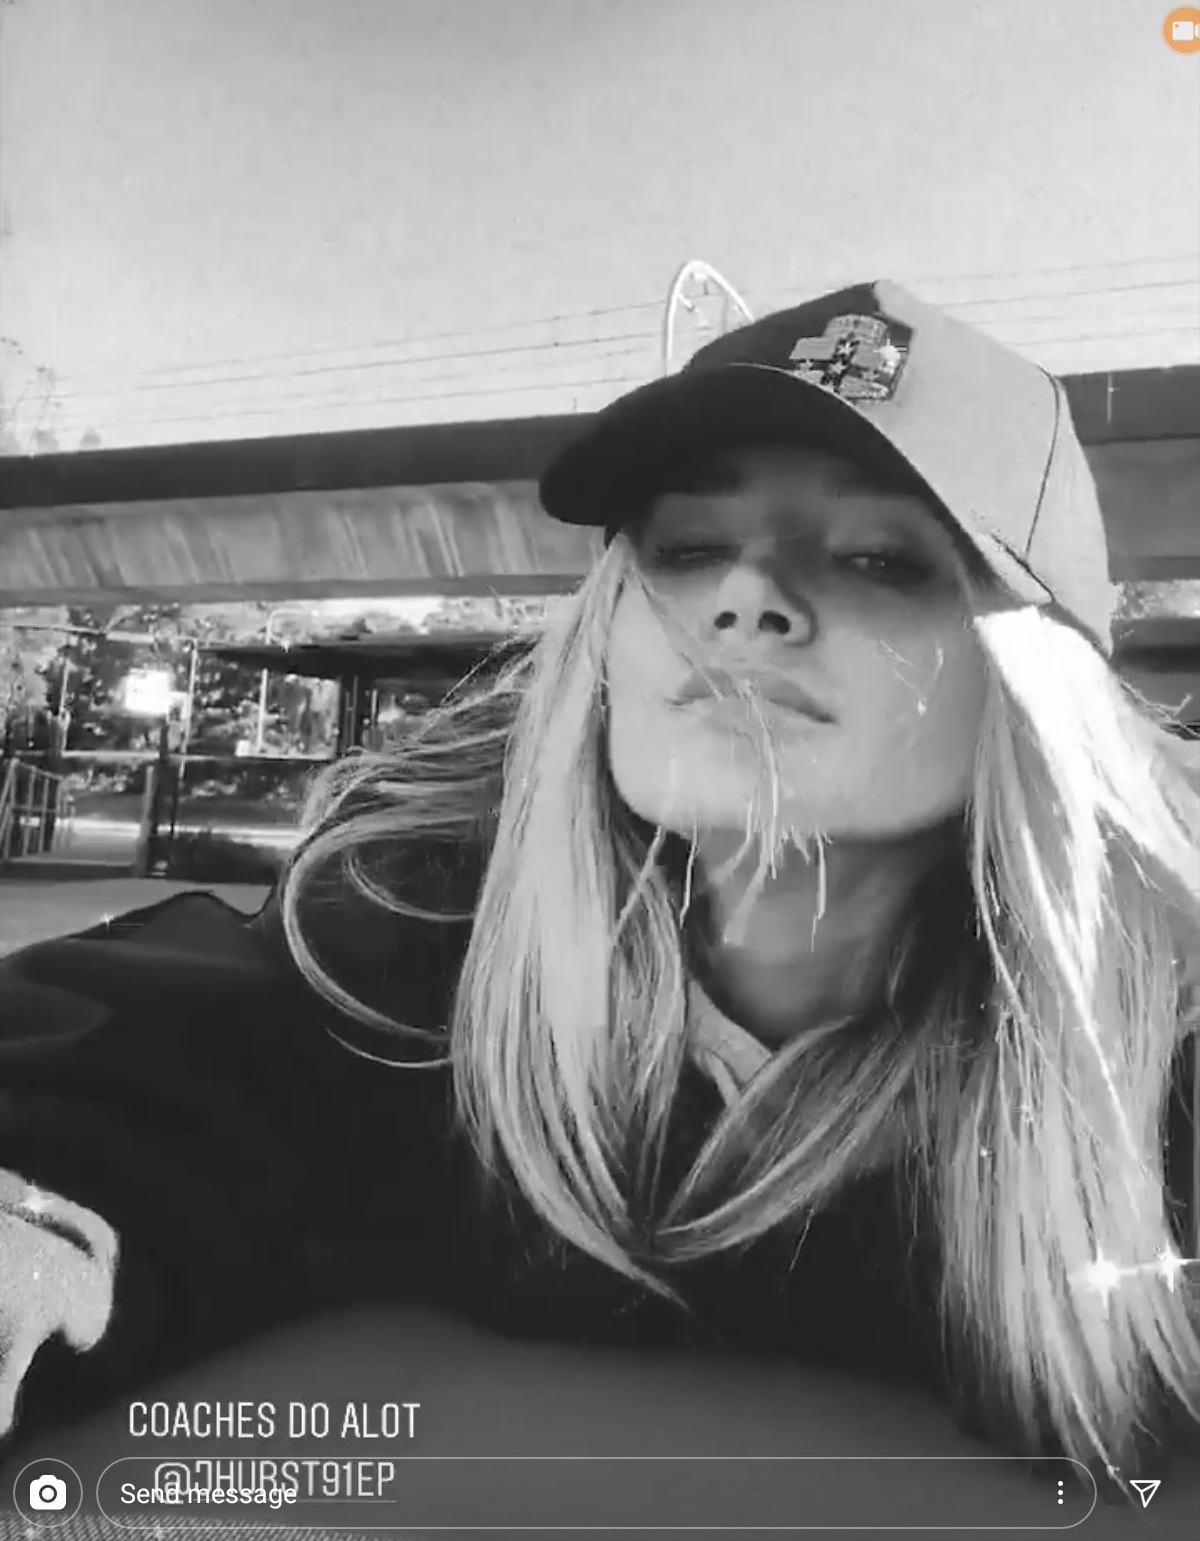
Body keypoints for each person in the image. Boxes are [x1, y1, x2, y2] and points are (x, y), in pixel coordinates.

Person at [1, 280, 1197, 1507]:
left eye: (880, 558)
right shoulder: (410, 952)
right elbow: (106, 1110)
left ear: (1037, 684)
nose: (745, 596)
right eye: (686, 547)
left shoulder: (1165, 1052)